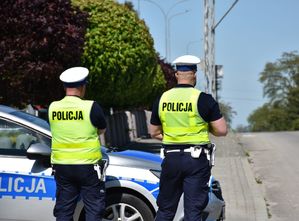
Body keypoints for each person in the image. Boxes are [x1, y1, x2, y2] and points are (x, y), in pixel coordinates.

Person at [149, 55, 227, 221]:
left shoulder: (162, 99)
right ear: (194, 74)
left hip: (171, 158)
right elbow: (222, 130)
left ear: (177, 74)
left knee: (165, 210)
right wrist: (207, 128)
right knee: (193, 212)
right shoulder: (203, 99)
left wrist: (173, 137)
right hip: (196, 160)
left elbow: (154, 132)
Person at [48, 67, 107, 221]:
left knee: (64, 210)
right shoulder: (91, 106)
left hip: (62, 167)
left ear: (64, 87)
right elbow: (101, 129)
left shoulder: (53, 107)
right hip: (87, 167)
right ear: (83, 86)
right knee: (93, 209)